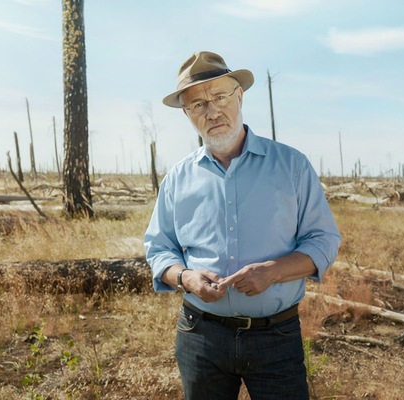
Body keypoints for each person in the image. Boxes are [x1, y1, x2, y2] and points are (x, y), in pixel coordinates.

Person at [144, 50, 342, 400]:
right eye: (197, 105)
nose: (212, 111)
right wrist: (186, 278)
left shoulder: (291, 166)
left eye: (219, 97)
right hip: (200, 335)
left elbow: (323, 240)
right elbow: (159, 248)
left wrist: (275, 271)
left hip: (276, 338)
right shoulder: (177, 179)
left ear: (239, 96)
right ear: (188, 115)